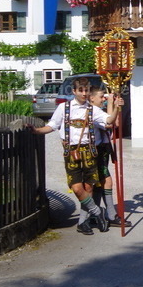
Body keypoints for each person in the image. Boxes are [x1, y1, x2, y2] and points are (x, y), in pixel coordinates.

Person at [29, 78, 116, 234]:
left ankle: (83, 222)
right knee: (76, 188)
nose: (84, 93)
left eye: (86, 90)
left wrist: (116, 108)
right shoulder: (64, 108)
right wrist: (36, 131)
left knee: (88, 187)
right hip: (71, 152)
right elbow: (51, 126)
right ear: (74, 91)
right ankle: (98, 212)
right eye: (81, 90)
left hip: (89, 151)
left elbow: (109, 121)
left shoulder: (93, 109)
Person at [89, 88, 125, 226]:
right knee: (106, 182)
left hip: (103, 149)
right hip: (97, 150)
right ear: (92, 98)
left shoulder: (98, 111)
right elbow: (109, 123)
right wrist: (112, 104)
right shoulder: (93, 112)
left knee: (100, 183)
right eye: (101, 96)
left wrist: (114, 105)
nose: (102, 99)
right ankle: (109, 215)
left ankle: (97, 215)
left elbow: (114, 122)